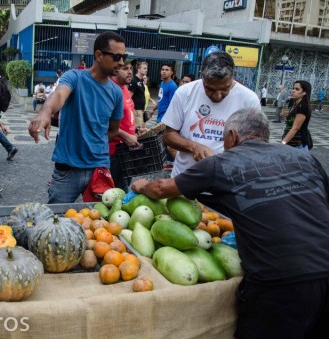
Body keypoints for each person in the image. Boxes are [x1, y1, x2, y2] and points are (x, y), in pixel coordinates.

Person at [131, 108, 329, 339]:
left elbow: (161, 189)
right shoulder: (305, 158)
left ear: (232, 136)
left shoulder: (223, 163)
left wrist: (141, 185)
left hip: (281, 281)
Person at [28, 31, 125, 203]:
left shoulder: (117, 92)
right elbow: (58, 95)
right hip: (68, 168)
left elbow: (113, 130)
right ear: (99, 55)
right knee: (55, 220)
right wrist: (44, 112)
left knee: (99, 223)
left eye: (123, 57)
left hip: (99, 167)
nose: (121, 63)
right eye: (117, 57)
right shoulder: (74, 77)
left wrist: (93, 141)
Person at [160, 51, 261, 210]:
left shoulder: (249, 99)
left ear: (233, 76)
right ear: (202, 77)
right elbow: (168, 136)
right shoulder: (185, 92)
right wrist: (194, 147)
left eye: (224, 89)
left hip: (225, 189)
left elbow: (255, 148)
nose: (217, 96)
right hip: (184, 185)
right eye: (210, 89)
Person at [109, 58, 140, 192]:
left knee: (124, 187)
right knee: (118, 192)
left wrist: (136, 128)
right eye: (125, 69)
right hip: (113, 152)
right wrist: (125, 135)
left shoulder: (124, 88)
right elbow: (104, 121)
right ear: (115, 69)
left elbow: (128, 114)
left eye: (131, 69)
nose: (130, 72)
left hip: (126, 150)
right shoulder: (110, 89)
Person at [281, 80, 312, 151]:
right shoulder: (295, 104)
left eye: (297, 89)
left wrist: (282, 144)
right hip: (291, 146)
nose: (293, 91)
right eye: (293, 88)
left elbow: (295, 128)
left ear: (304, 92)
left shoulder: (303, 106)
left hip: (298, 147)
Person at [128, 61, 147, 128]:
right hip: (136, 110)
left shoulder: (141, 80)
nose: (146, 70)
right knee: (138, 131)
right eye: (144, 68)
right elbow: (128, 97)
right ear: (138, 69)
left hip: (141, 110)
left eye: (146, 68)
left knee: (143, 130)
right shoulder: (134, 81)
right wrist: (131, 111)